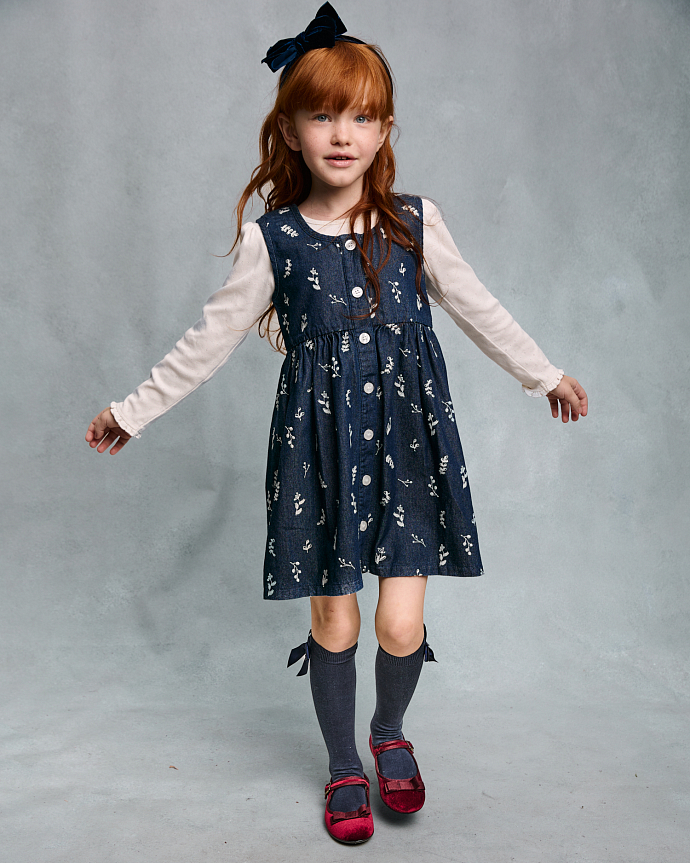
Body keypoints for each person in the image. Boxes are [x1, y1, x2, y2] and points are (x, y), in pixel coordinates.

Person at [85, 2, 588, 846]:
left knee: (399, 624)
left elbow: (479, 308)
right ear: (290, 131)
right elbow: (205, 342)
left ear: (385, 128)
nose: (342, 134)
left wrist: (545, 373)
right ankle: (344, 762)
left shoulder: (414, 223)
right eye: (321, 116)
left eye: (360, 116)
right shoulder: (272, 240)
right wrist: (131, 411)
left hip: (410, 446)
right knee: (335, 621)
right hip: (318, 453)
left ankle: (389, 732)